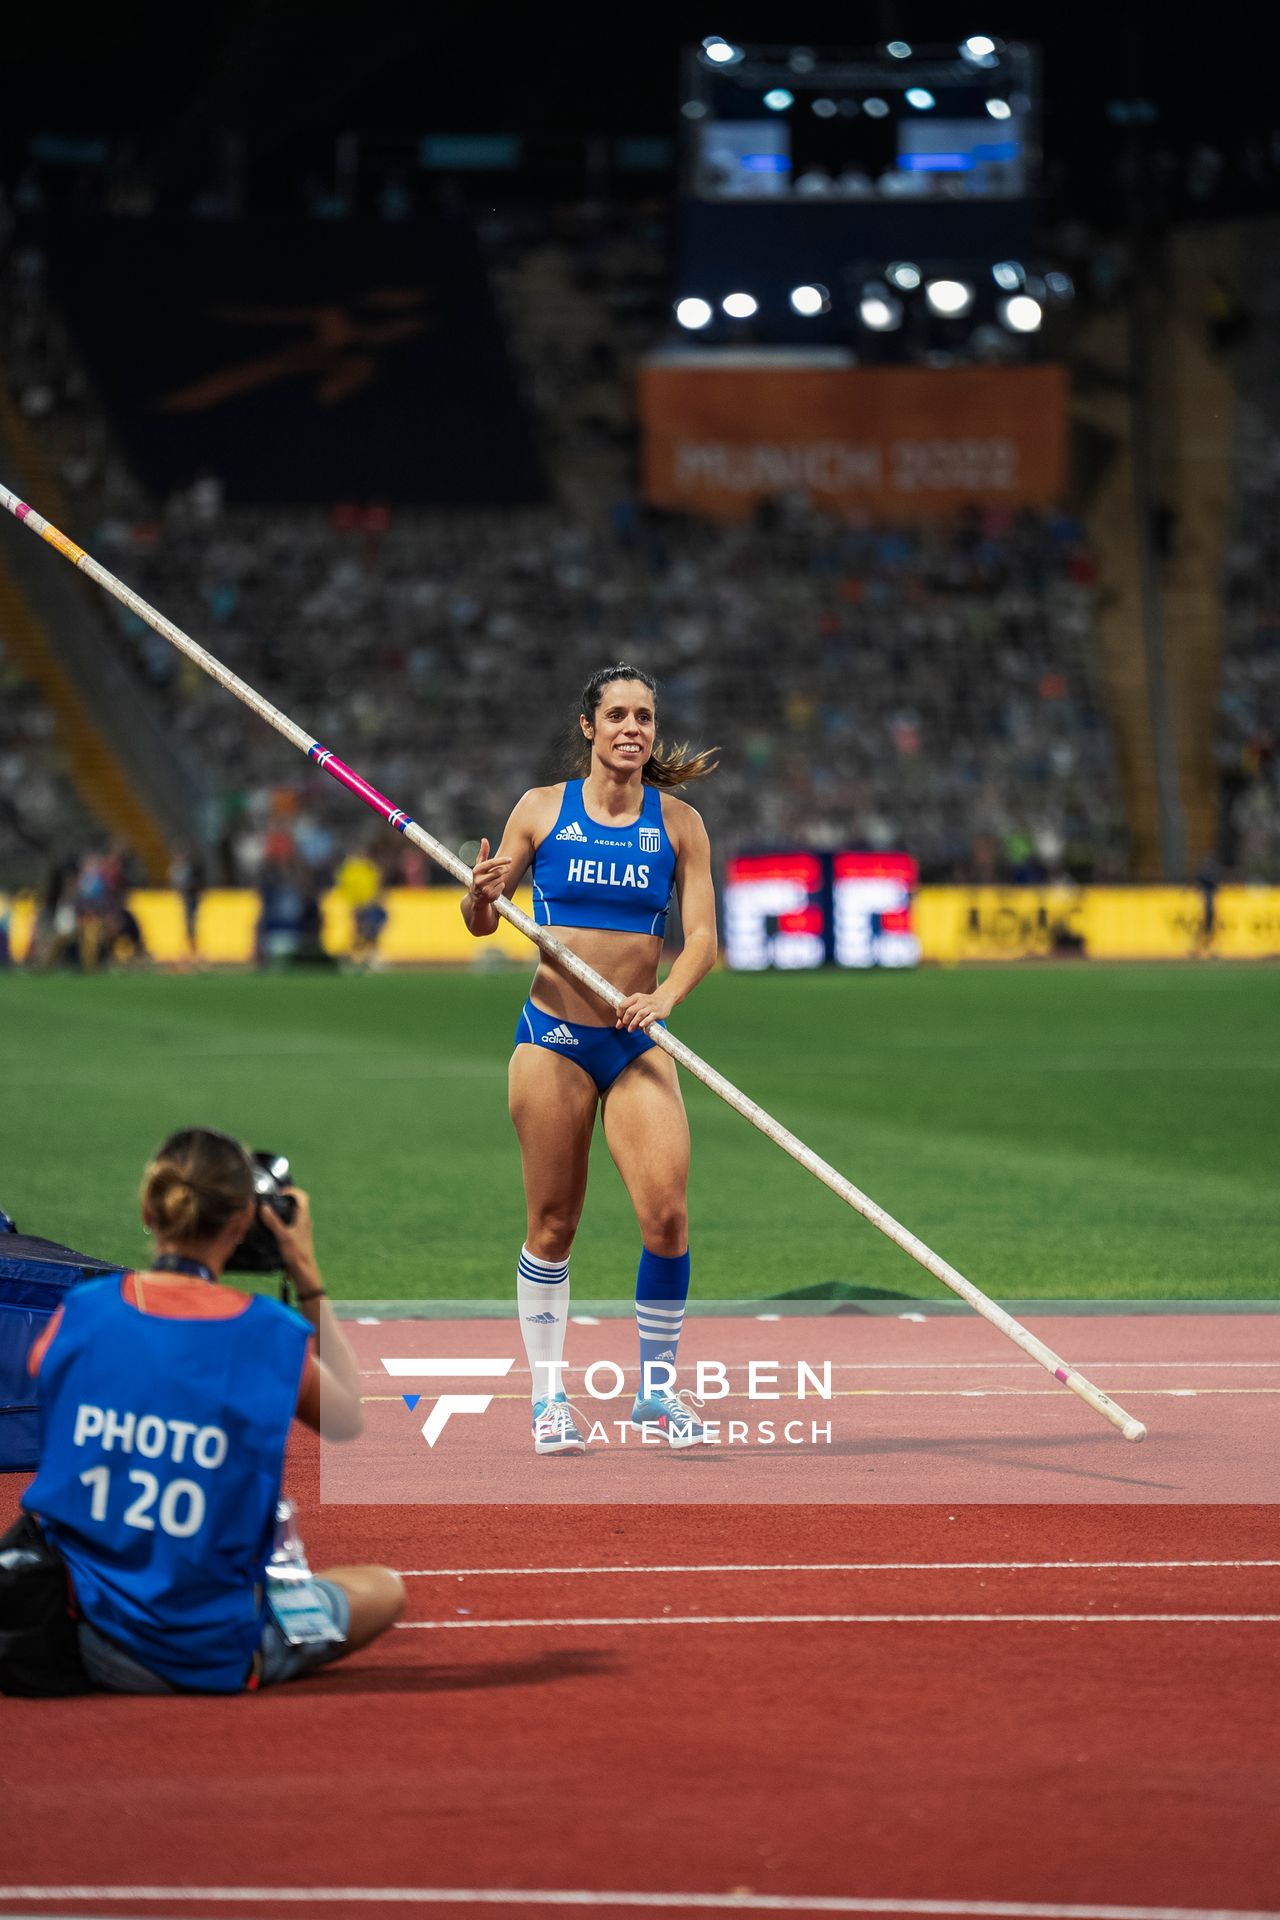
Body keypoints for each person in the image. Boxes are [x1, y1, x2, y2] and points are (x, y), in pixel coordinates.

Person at [20, 1127, 403, 1693]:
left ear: (151, 1209)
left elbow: (49, 1384)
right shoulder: (267, 1332)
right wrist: (307, 1276)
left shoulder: (82, 1309)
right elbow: (348, 1419)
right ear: (245, 1222)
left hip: (79, 1627)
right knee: (383, 1589)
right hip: (203, 1651)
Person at [462, 663, 718, 1454]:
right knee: (553, 1223)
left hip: (638, 1040)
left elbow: (703, 939)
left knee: (667, 1216)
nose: (633, 728)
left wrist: (668, 996)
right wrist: (479, 893)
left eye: (644, 715)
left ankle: (657, 1397)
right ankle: (548, 1401)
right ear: (589, 726)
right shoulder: (541, 811)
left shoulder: (680, 824)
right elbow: (483, 920)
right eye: (618, 715)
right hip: (554, 1040)